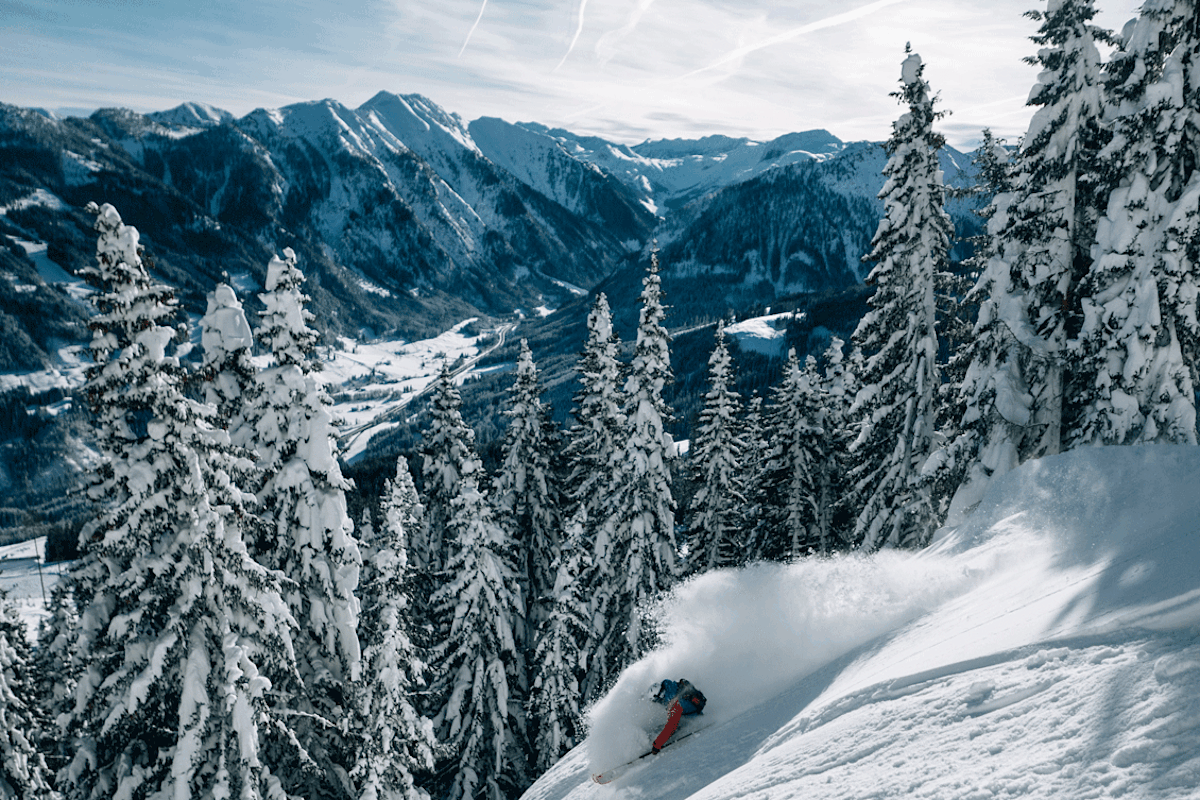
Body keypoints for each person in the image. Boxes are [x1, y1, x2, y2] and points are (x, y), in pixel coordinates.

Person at [650, 678, 707, 753]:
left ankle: (660, 739)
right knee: (669, 723)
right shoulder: (672, 687)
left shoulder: (674, 704)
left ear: (660, 695)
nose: (658, 703)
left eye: (656, 701)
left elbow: (671, 727)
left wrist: (657, 745)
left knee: (671, 728)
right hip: (690, 709)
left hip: (693, 717)